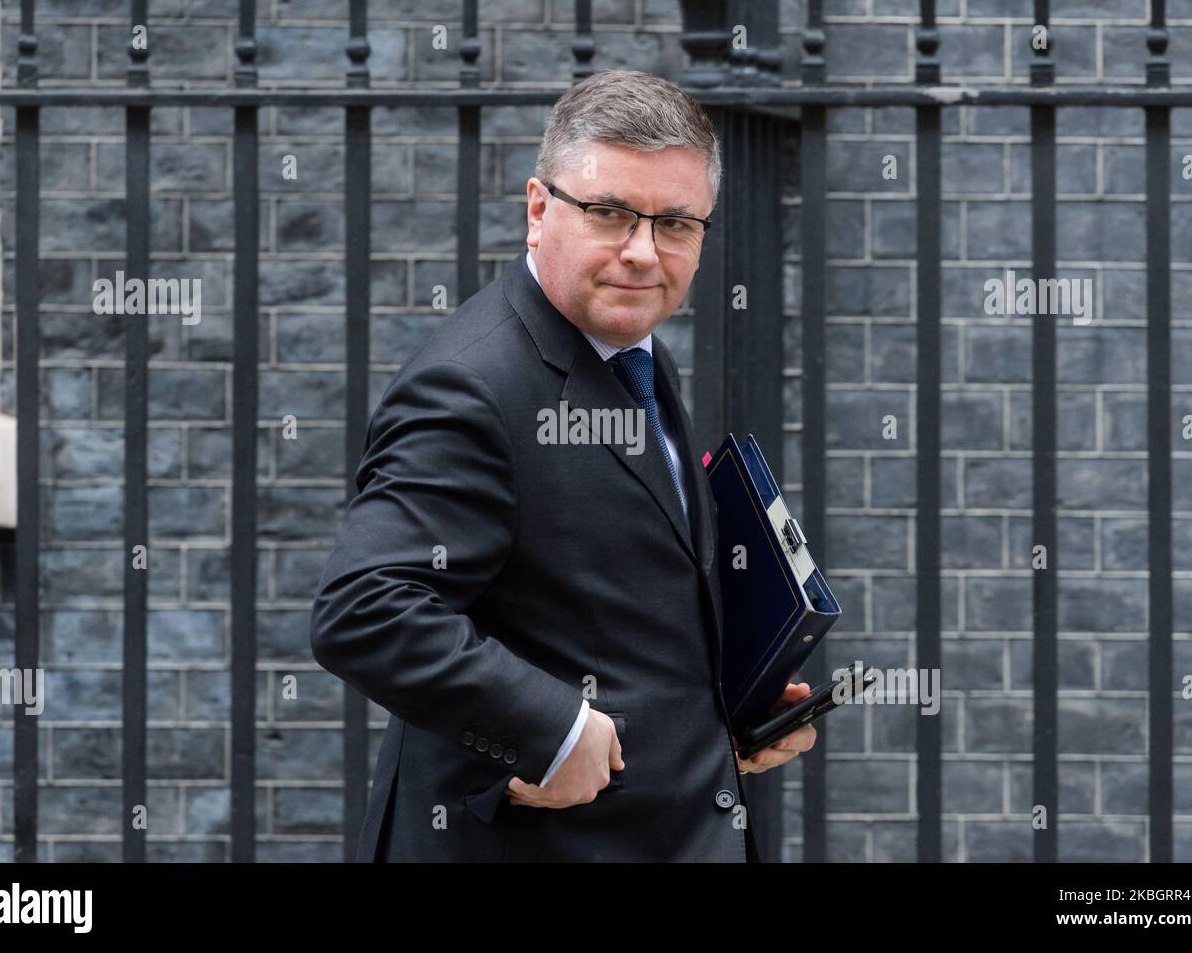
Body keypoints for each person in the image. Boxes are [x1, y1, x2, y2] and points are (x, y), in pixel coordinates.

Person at [309, 68, 817, 863]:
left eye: (677, 223)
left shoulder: (636, 358)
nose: (643, 252)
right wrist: (555, 726)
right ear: (539, 210)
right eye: (611, 212)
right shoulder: (472, 384)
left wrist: (727, 712)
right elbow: (366, 607)